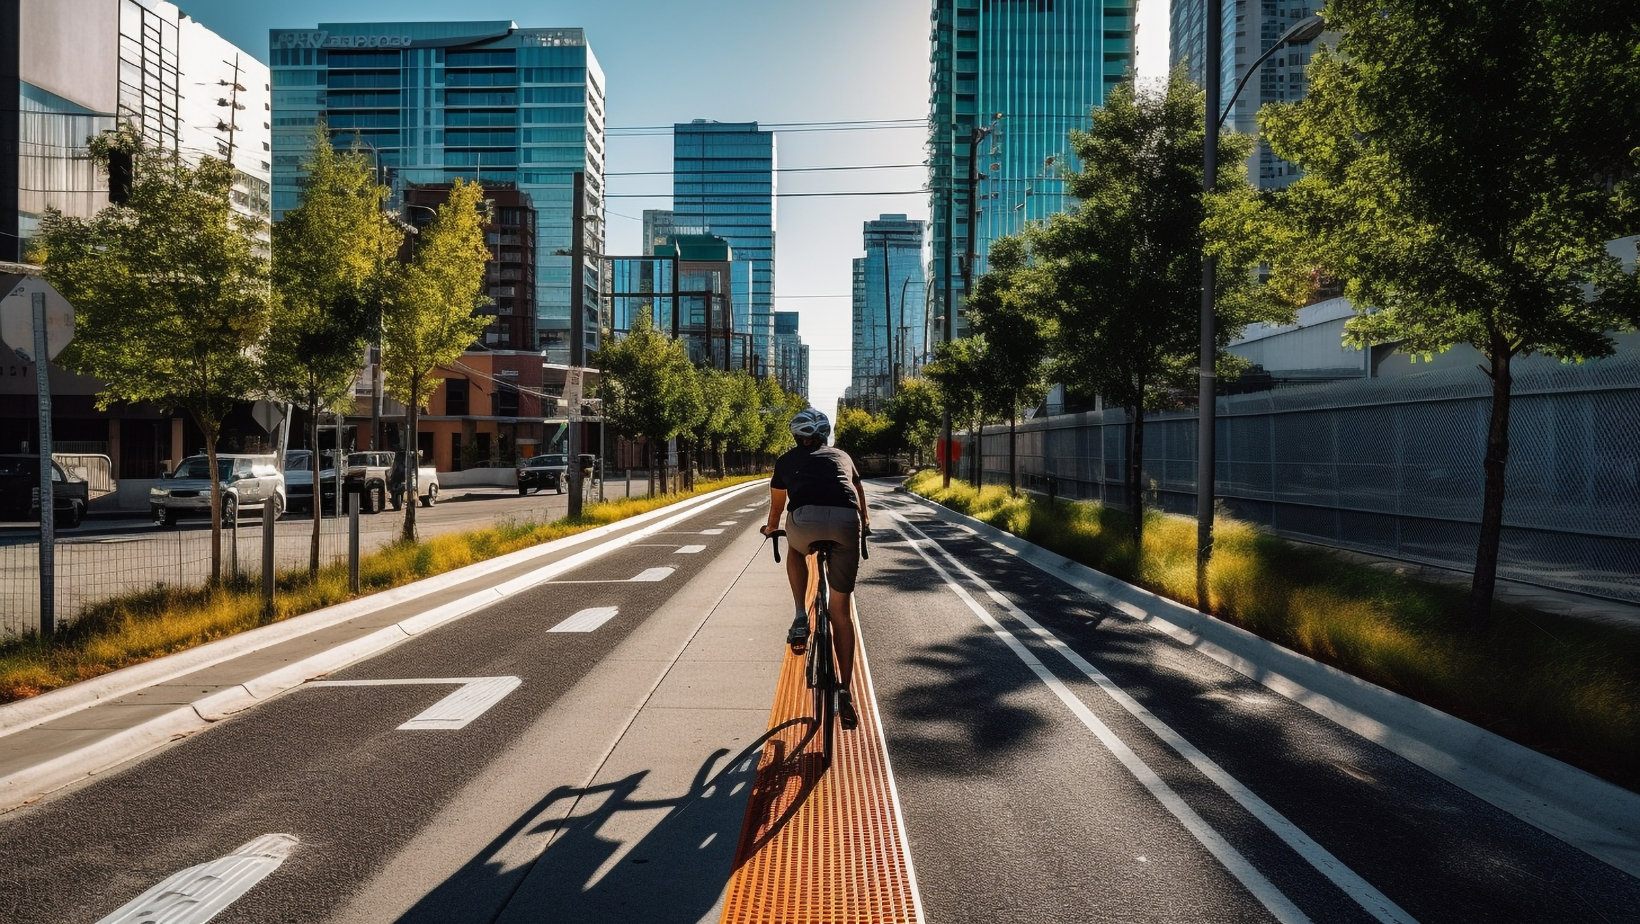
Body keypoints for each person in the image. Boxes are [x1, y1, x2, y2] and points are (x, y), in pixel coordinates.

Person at [760, 408, 870, 730]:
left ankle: (798, 615)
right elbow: (858, 492)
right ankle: (845, 691)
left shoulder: (785, 462)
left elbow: (777, 508)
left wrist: (770, 530)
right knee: (840, 611)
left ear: (796, 437)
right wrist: (864, 523)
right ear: (825, 434)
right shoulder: (842, 456)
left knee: (795, 548)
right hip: (846, 522)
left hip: (804, 521)